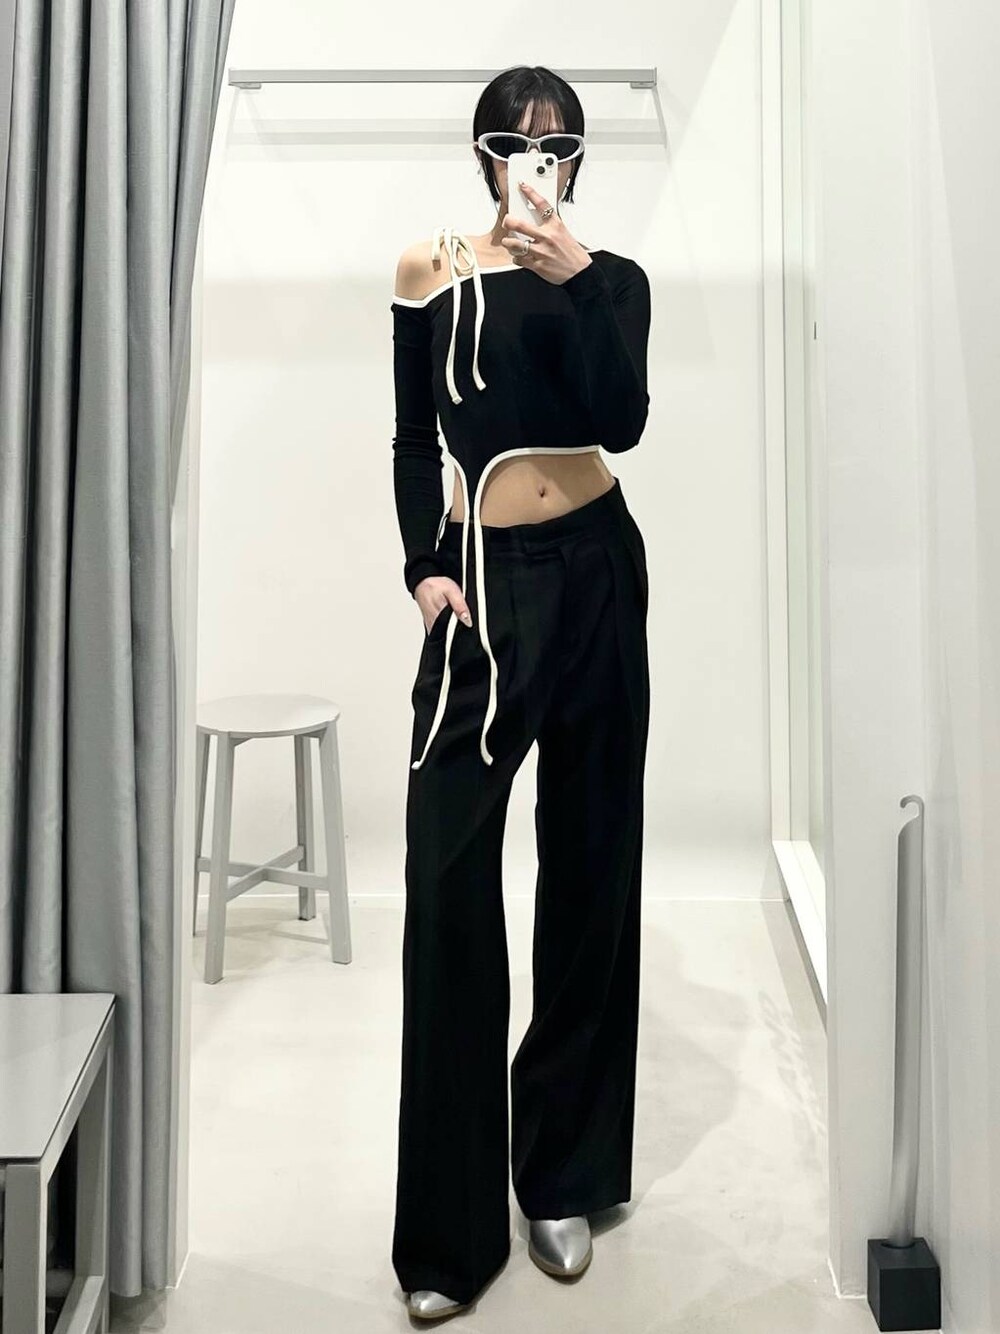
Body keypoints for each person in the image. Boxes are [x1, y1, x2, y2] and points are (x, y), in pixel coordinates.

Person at [389, 65, 652, 1320]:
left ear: (577, 162)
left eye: (554, 144)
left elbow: (621, 418)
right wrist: (423, 567)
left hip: (597, 567)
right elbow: (411, 435)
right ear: (482, 155)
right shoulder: (429, 270)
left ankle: (563, 1174)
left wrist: (576, 273)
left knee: (592, 865)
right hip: (484, 588)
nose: (531, 160)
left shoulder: (615, 278)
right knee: (447, 883)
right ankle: (448, 1232)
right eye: (510, 139)